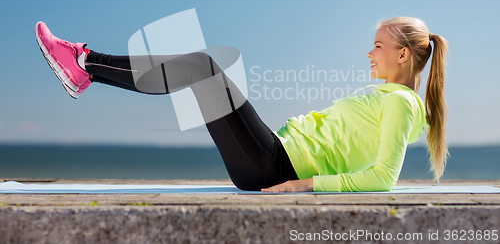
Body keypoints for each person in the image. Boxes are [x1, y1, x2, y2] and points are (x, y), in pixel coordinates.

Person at [35, 16, 449, 192]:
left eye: (378, 46)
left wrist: (307, 186)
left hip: (272, 166)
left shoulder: (401, 105)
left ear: (402, 55)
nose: (369, 54)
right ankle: (85, 64)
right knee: (201, 67)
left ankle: (85, 63)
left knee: (202, 67)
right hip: (272, 155)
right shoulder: (386, 98)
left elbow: (383, 178)